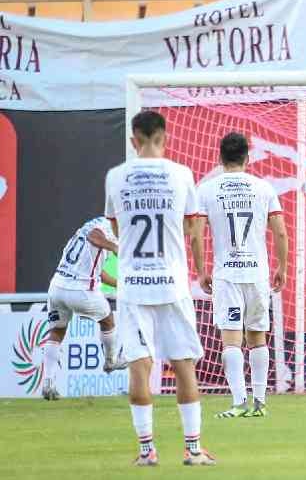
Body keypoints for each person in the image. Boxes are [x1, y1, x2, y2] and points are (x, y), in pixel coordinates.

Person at [104, 110, 214, 466]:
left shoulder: (115, 177)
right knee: (183, 365)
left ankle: (146, 450)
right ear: (164, 138)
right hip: (172, 283)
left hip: (134, 285)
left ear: (133, 140)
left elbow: (116, 230)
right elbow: (193, 228)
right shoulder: (182, 174)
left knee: (140, 367)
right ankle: (193, 449)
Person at [192, 132, 288, 419]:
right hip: (257, 275)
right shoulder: (264, 188)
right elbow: (280, 231)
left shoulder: (207, 190)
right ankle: (260, 402)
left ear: (220, 158)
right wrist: (281, 267)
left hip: (227, 276)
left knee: (231, 341)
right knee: (258, 338)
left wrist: (200, 271)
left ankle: (238, 402)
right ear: (247, 158)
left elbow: (196, 235)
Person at [41, 216, 124, 400]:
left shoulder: (90, 227)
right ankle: (111, 361)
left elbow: (97, 271)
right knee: (108, 319)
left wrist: (120, 284)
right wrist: (114, 247)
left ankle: (48, 383)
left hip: (57, 288)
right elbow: (94, 237)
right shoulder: (104, 227)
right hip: (80, 290)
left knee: (56, 332)